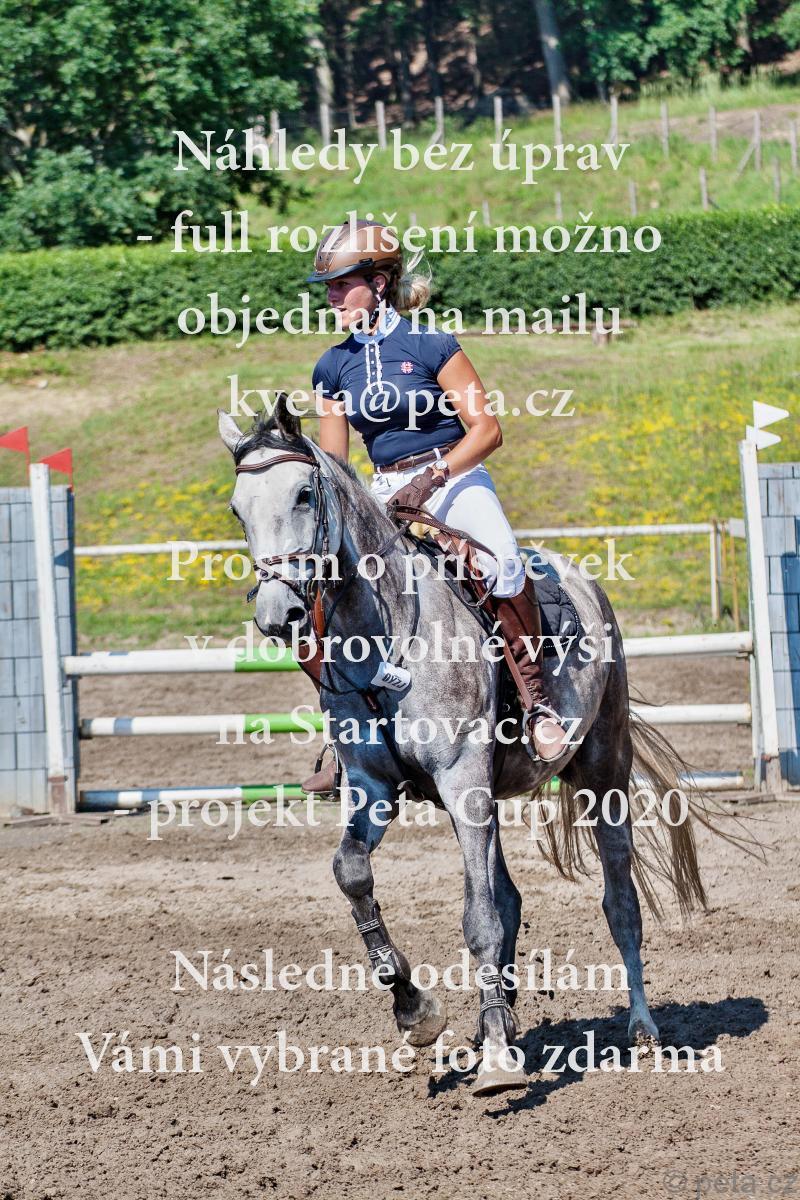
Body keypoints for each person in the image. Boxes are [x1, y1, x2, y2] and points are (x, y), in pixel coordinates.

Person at [301, 219, 568, 793]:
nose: (331, 296)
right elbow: (336, 465)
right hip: (382, 489)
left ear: (377, 283)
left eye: (341, 284)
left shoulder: (433, 345)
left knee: (501, 559)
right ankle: (347, 728)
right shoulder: (331, 367)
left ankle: (536, 702)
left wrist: (433, 478)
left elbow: (487, 430)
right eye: (327, 287)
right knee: (322, 592)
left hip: (453, 474)